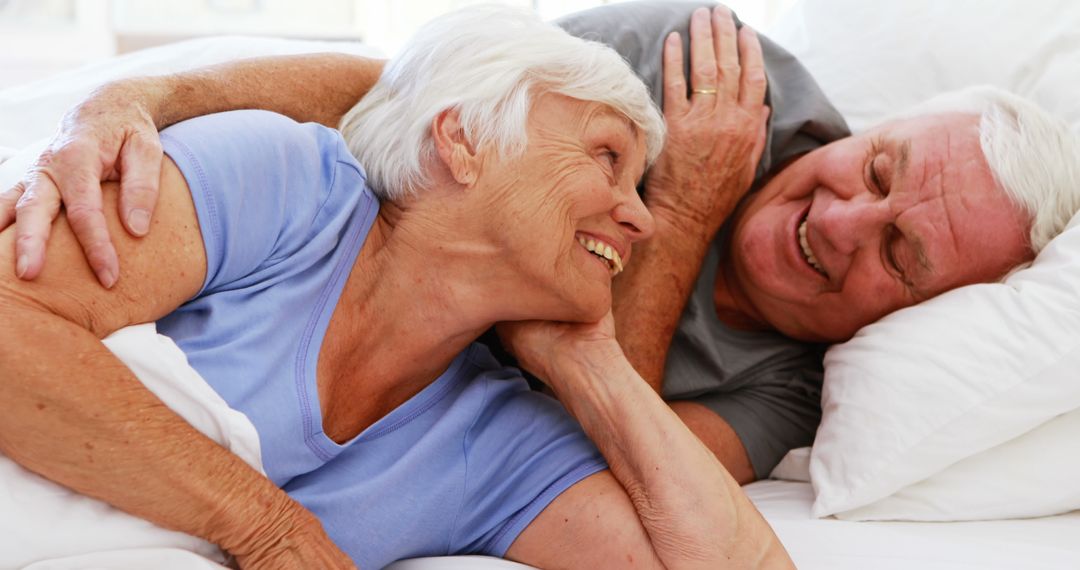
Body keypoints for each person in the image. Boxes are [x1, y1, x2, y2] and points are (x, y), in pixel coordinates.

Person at [5, 1, 1080, 488]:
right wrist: (142, 94)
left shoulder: (783, 399)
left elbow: (615, 460)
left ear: (919, 314)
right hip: (300, 271)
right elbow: (416, 105)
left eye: (902, 257)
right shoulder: (710, 71)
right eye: (877, 170)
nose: (840, 221)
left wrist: (692, 206)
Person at [0, 6, 792, 569]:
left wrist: (593, 359)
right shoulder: (288, 184)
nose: (641, 222)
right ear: (464, 139)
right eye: (607, 158)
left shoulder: (500, 441)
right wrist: (267, 529)